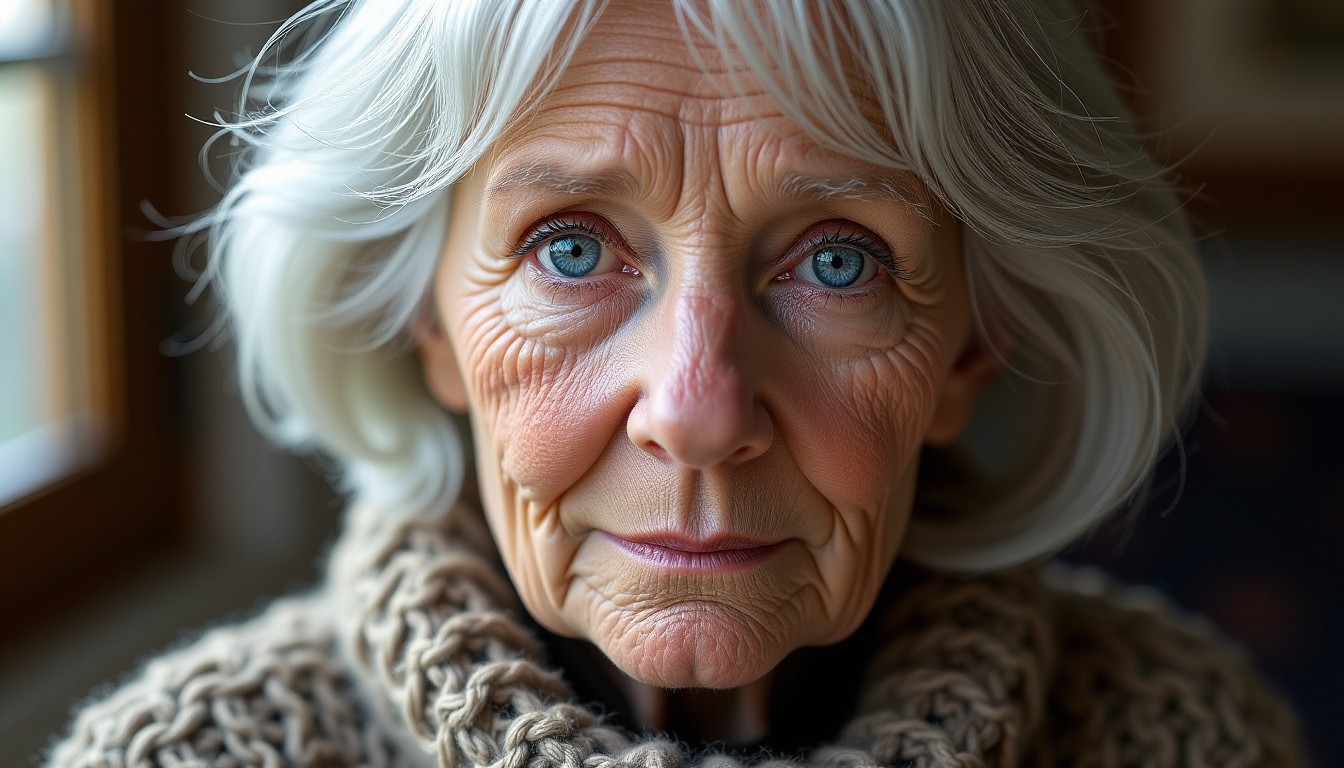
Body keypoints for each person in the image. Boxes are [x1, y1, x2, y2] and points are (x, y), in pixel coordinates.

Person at [50, 0, 1303, 765]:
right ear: (425, 324)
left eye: (837, 260)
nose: (698, 411)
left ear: (972, 350)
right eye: (572, 248)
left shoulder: (1180, 734)